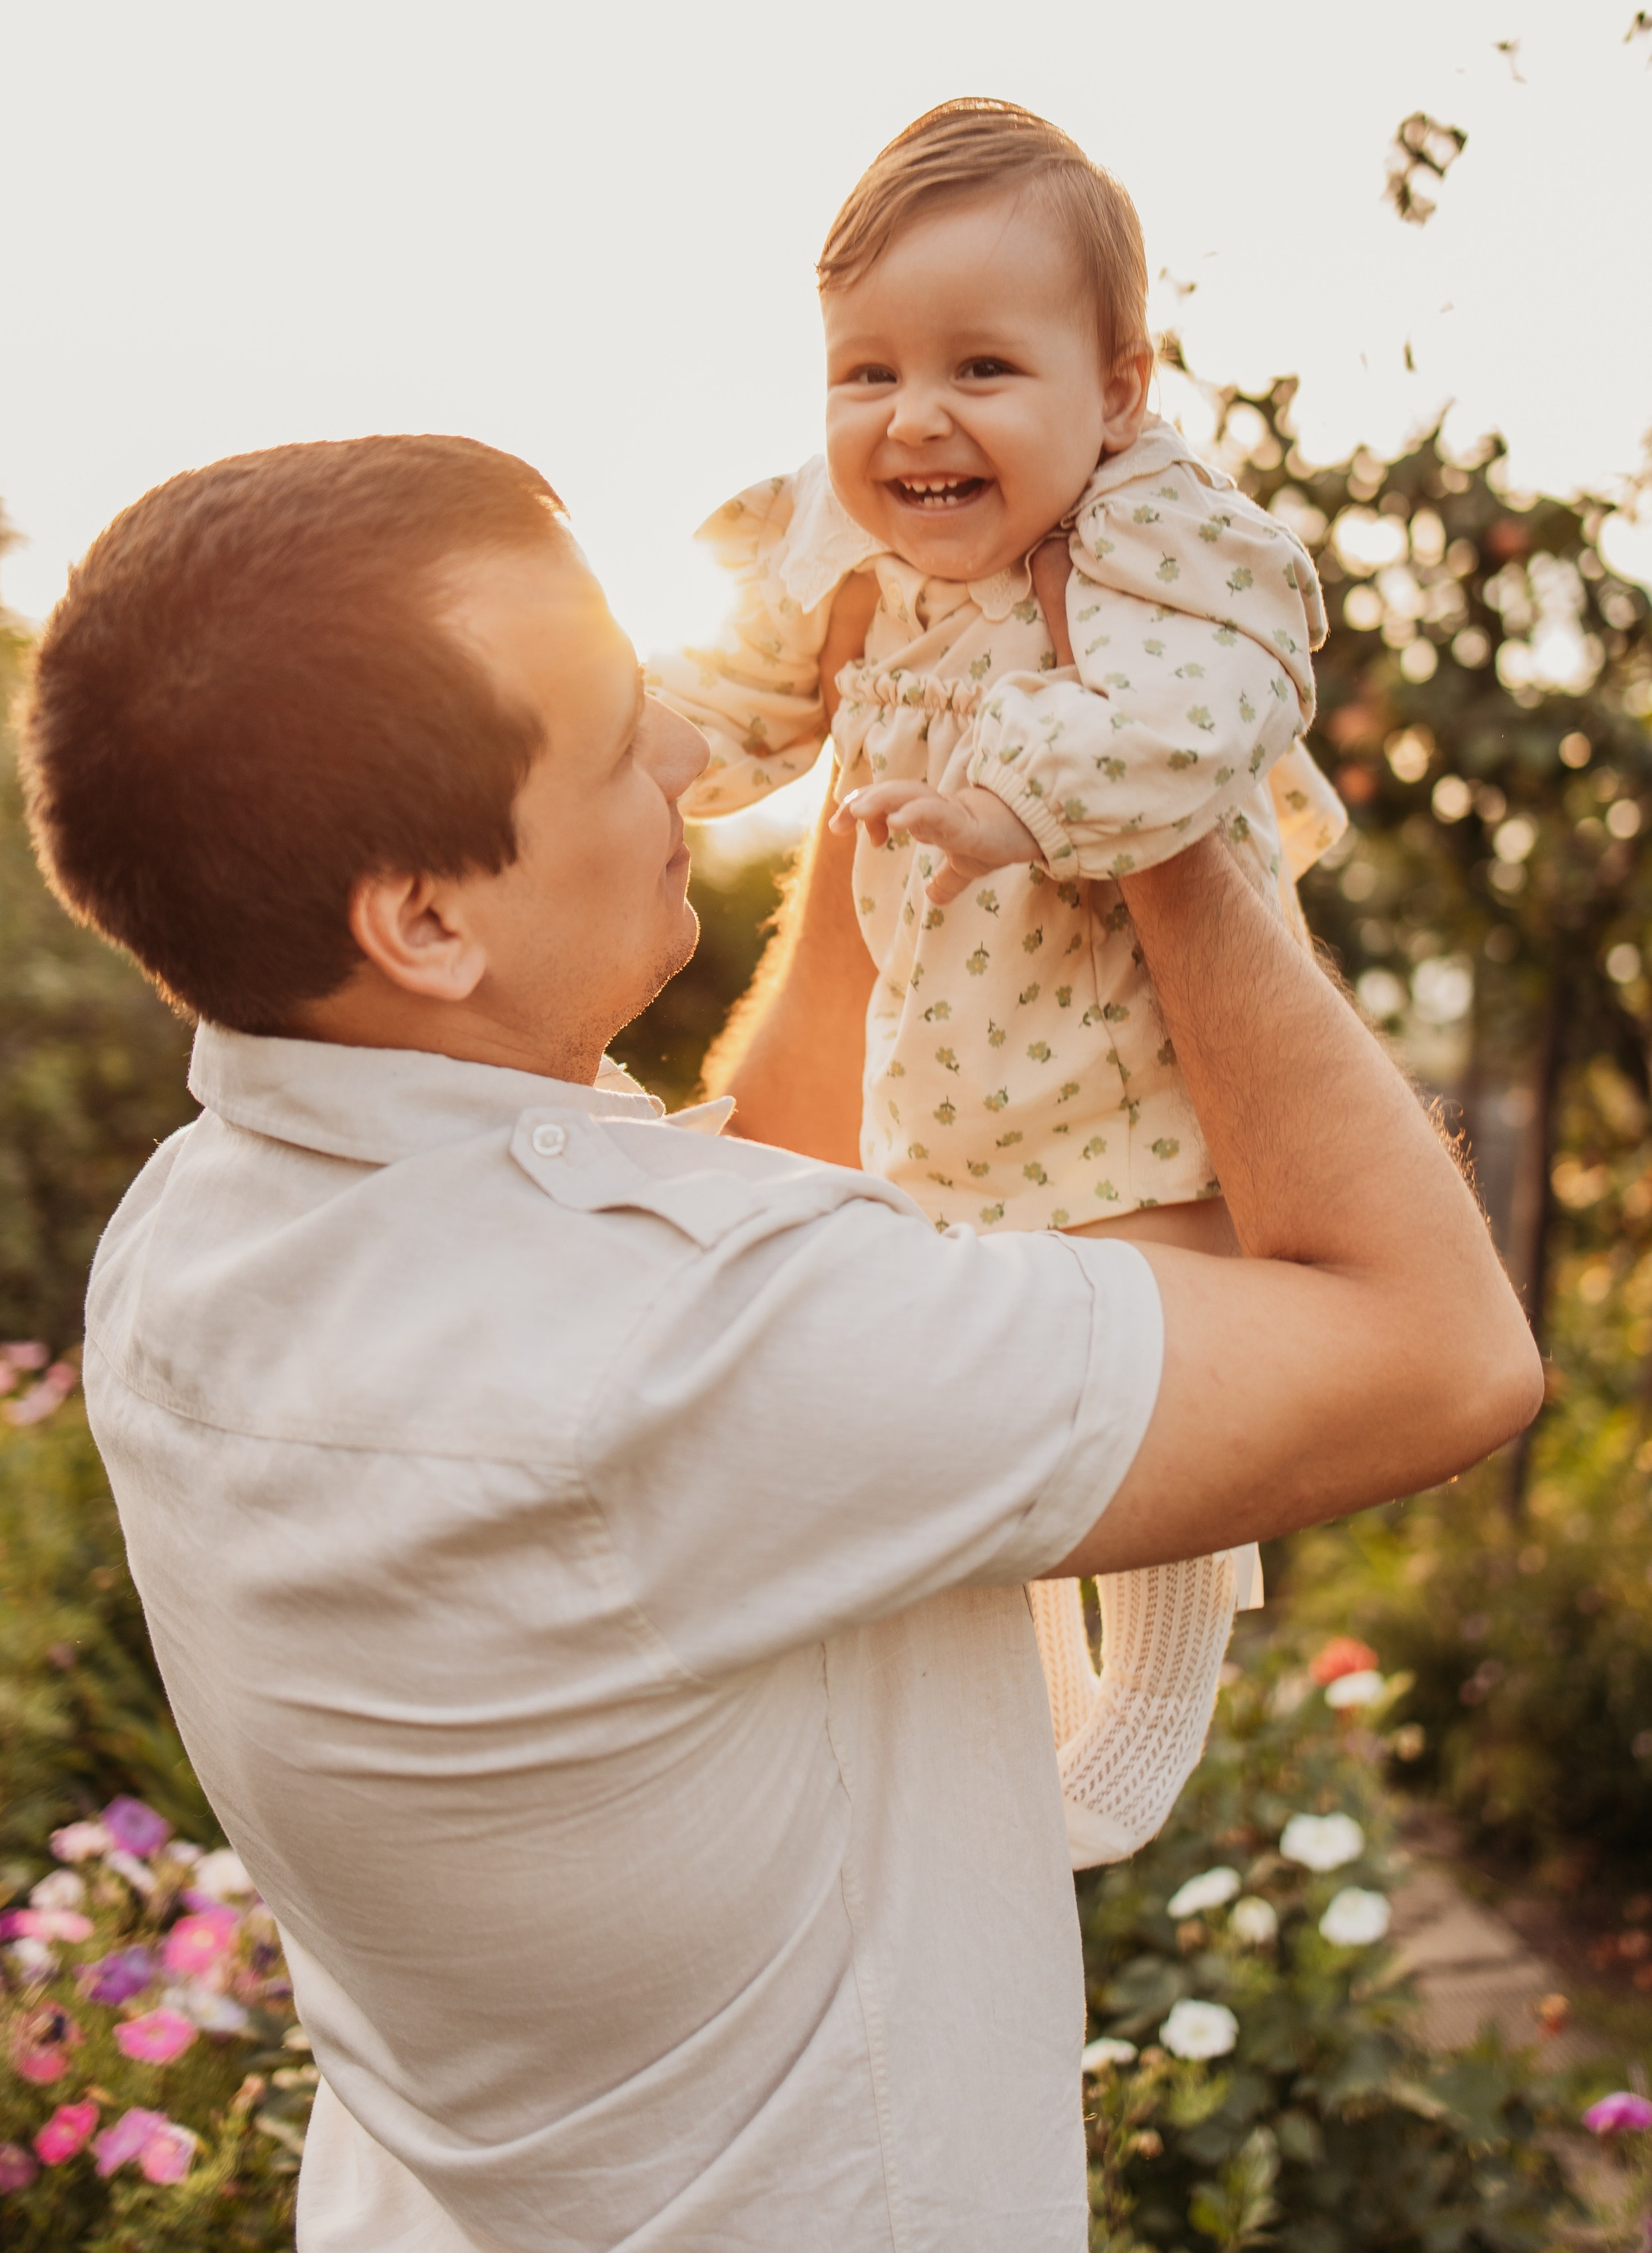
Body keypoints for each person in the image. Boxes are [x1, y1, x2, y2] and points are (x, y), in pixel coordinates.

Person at [21, 431, 1540, 2253]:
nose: (684, 749)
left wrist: (881, 765)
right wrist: (1144, 786)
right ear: (424, 919)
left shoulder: (198, 1233)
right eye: (613, 738)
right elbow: (1437, 1353)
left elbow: (734, 1243)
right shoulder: (676, 1365)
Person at [649, 98, 1351, 1865]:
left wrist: (1008, 795)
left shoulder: (1151, 531)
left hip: (1130, 1033)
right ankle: (1040, 1692)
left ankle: (1163, 1685)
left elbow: (1202, 711)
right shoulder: (841, 546)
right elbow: (744, 690)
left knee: (1149, 1351)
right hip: (953, 1044)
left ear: (1114, 390)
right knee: (987, 1360)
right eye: (864, 372)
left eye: (980, 366)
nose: (915, 419)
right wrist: (642, 754)